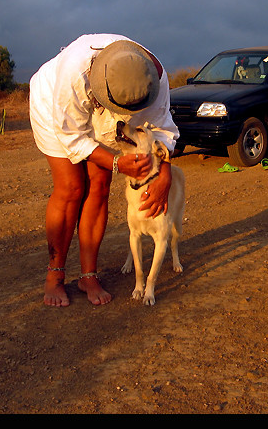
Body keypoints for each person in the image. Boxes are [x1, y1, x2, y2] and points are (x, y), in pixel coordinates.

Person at [28, 34, 179, 307]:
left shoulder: (152, 77)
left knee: (99, 186)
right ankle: (55, 275)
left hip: (110, 112)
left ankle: (88, 275)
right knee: (71, 188)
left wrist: (164, 171)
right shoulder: (72, 76)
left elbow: (163, 129)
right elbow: (72, 137)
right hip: (55, 108)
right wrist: (116, 163)